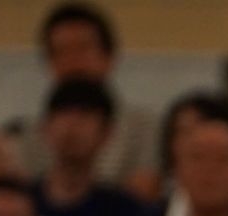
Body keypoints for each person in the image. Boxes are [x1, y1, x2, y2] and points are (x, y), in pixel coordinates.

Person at [17, 3, 161, 202]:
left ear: (109, 57)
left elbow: (144, 192)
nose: (73, 62)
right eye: (62, 52)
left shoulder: (144, 128)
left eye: (82, 49)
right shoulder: (31, 133)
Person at [34, 78, 147, 216]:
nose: (71, 126)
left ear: (107, 133)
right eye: (64, 113)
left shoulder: (124, 213)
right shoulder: (21, 205)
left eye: (84, 115)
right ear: (45, 127)